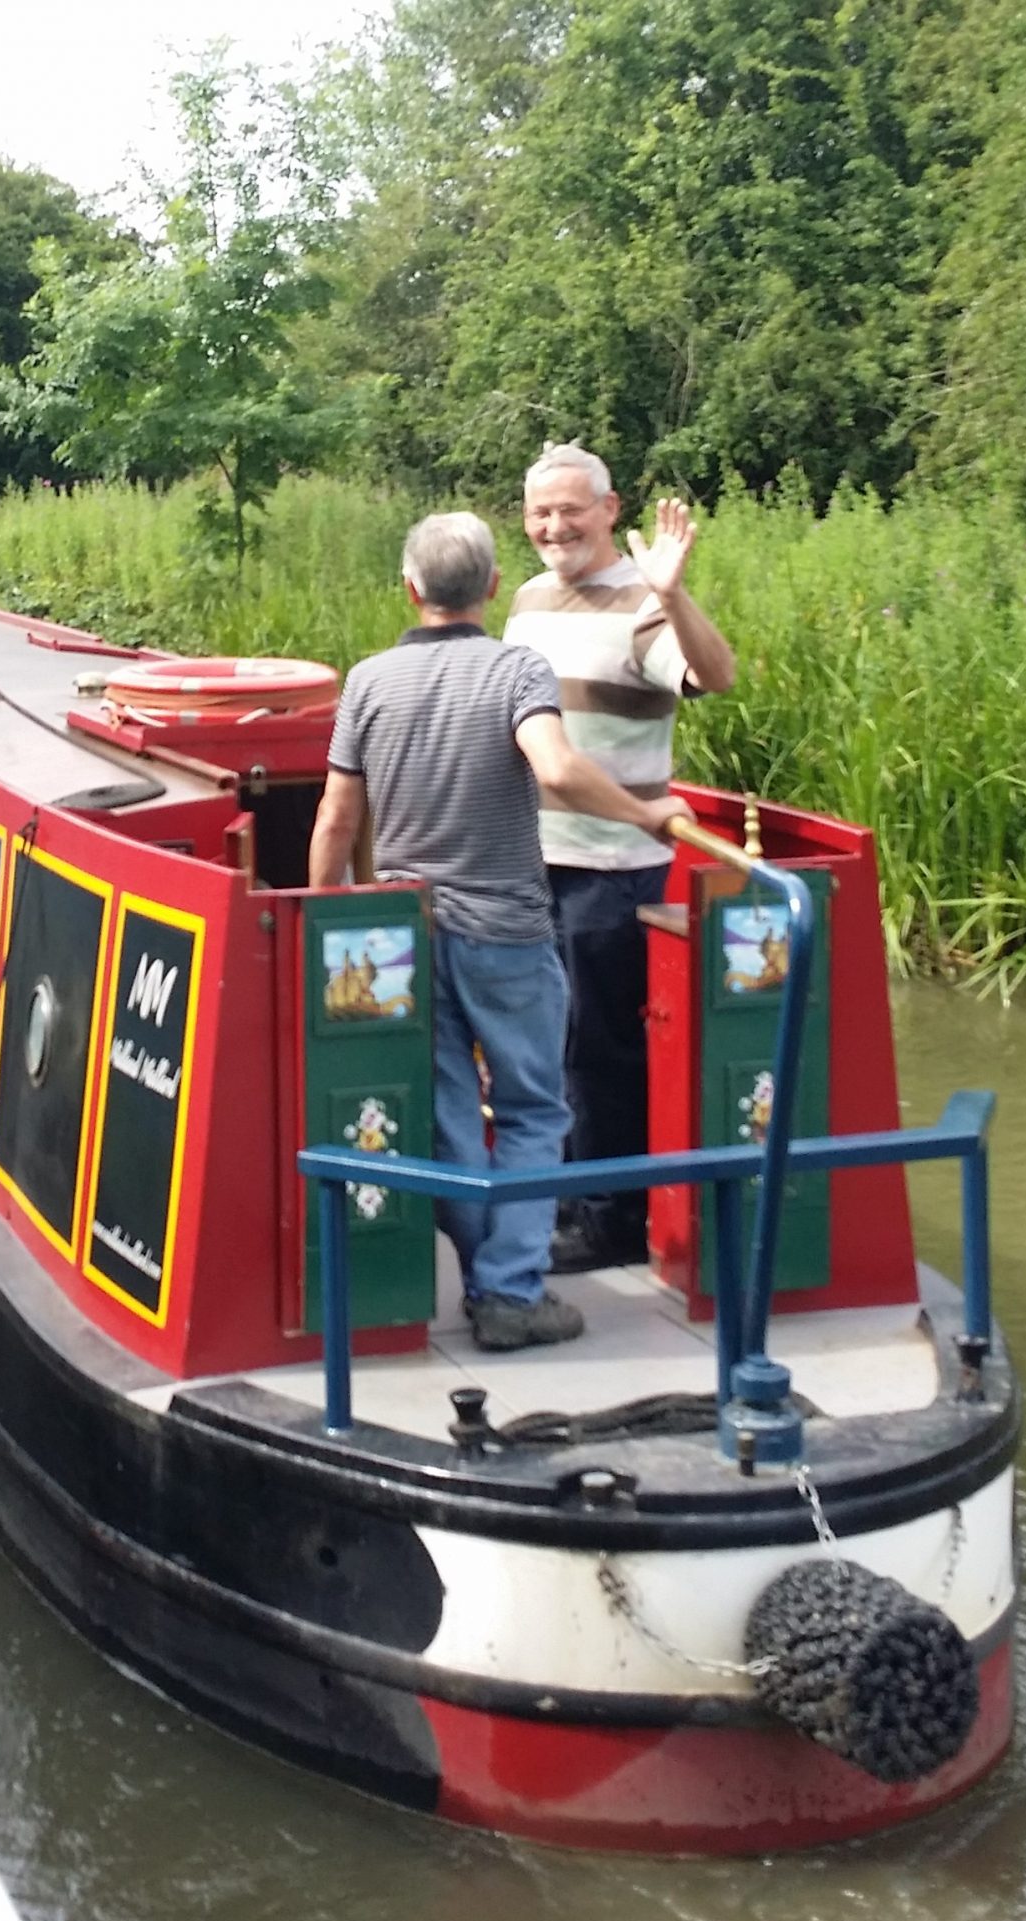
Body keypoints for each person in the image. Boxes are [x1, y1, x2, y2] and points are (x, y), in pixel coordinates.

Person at [308, 513, 691, 1352]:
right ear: (489, 589)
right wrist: (645, 816)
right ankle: (510, 1292)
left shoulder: (367, 680)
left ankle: (487, 1273)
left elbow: (337, 817)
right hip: (507, 929)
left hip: (401, 935)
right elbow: (554, 768)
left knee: (447, 1112)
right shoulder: (517, 667)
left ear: (409, 589)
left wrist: (332, 911)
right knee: (530, 1110)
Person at [504, 444, 735, 1273]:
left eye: (570, 509)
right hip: (533, 859)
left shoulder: (642, 603)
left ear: (609, 509)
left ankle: (608, 1220)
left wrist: (673, 595)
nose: (553, 526)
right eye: (539, 512)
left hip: (609, 859)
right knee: (545, 1041)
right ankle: (566, 1198)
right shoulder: (528, 599)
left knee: (596, 1046)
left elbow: (718, 674)